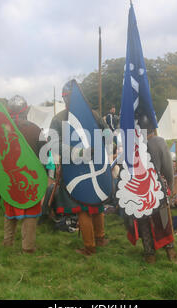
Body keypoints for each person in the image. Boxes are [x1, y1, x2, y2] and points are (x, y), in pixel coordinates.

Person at [49, 80, 109, 256]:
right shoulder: (60, 119)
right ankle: (96, 240)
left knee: (89, 204)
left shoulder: (93, 115)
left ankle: (93, 244)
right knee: (87, 204)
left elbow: (107, 132)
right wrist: (79, 151)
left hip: (92, 165)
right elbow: (53, 144)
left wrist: (99, 145)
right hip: (74, 167)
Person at [123, 116, 177, 264]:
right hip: (157, 188)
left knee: (144, 221)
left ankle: (150, 255)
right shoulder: (159, 142)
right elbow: (168, 168)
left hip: (140, 191)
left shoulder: (134, 145)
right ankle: (170, 251)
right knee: (163, 221)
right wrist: (171, 188)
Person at [1, 95, 49, 254]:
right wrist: (44, 175)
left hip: (9, 176)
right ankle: (27, 247)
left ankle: (7, 242)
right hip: (31, 178)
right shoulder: (35, 129)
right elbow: (45, 154)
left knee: (10, 207)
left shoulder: (3, 128)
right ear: (25, 110)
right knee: (30, 211)